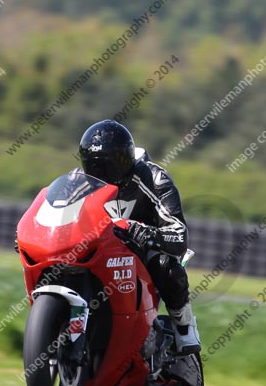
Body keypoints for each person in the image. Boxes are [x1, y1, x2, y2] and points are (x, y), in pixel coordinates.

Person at [78, 119, 201, 355]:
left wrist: (147, 232)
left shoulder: (153, 178)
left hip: (143, 251)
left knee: (165, 264)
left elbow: (178, 233)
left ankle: (184, 326)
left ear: (126, 160)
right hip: (99, 248)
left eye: (108, 166)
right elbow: (57, 213)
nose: (100, 174)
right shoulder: (79, 181)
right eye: (94, 166)